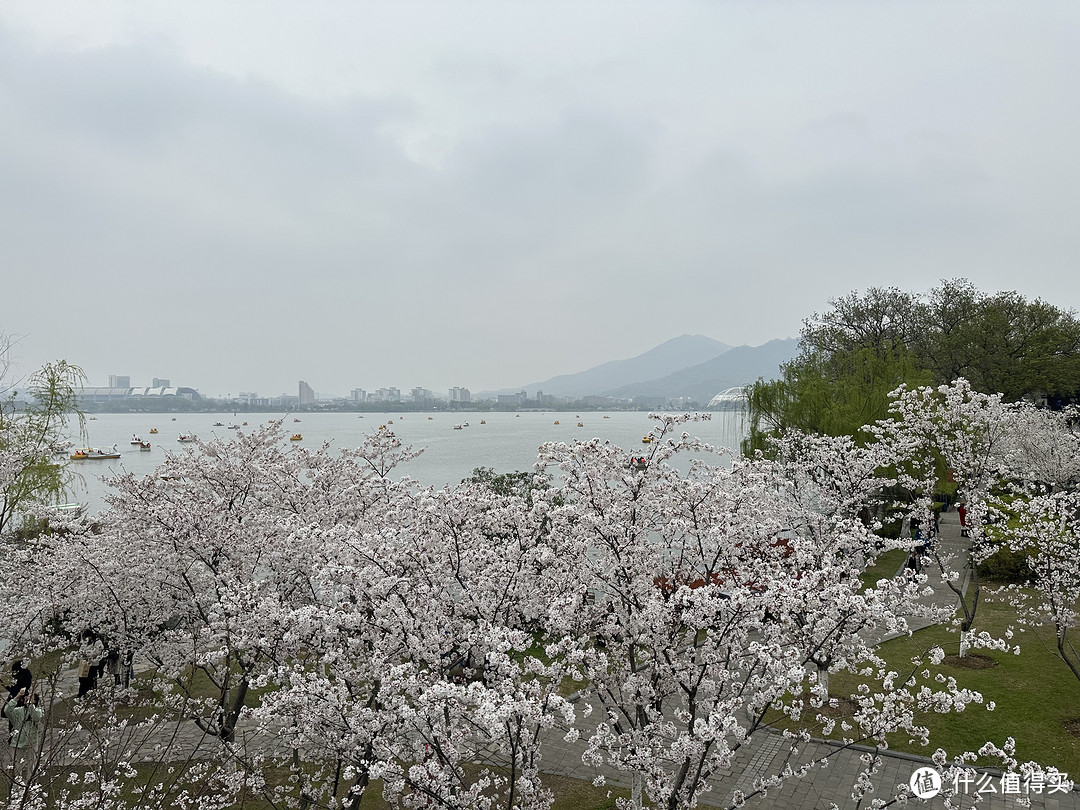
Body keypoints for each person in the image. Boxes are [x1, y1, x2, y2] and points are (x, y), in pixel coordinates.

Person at [4, 688, 43, 785]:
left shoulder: (38, 711)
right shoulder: (18, 711)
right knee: (16, 766)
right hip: (18, 742)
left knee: (32, 766)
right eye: (27, 697)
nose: (27, 699)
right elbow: (7, 710)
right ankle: (17, 786)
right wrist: (17, 697)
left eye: (31, 698)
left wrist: (30, 706)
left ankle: (31, 785)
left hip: (32, 742)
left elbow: (36, 717)